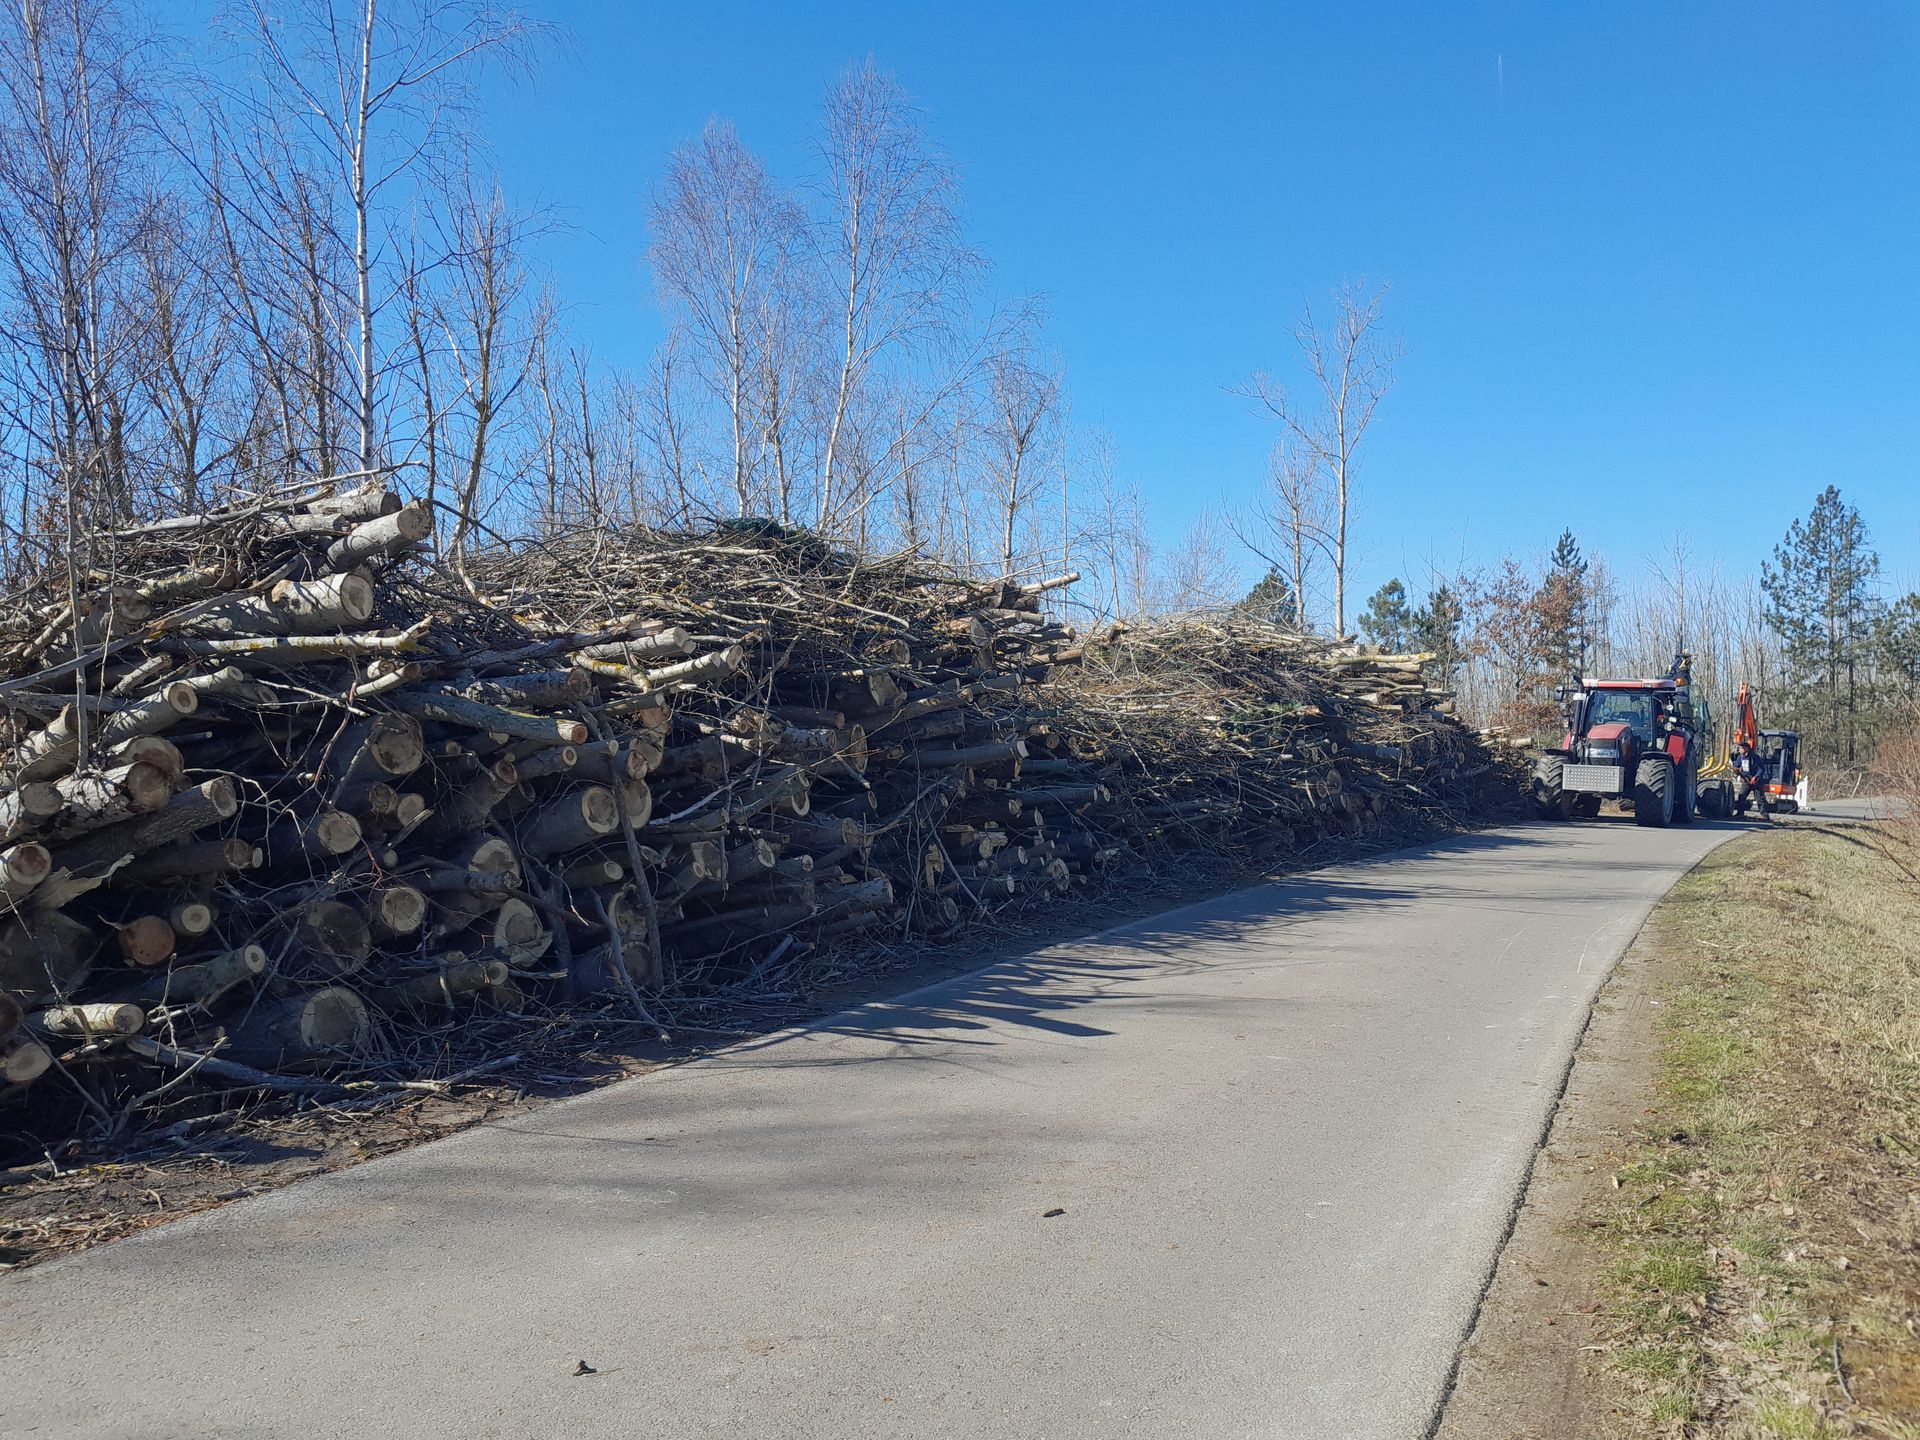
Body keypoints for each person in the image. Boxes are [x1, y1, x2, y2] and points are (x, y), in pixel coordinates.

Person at [1732, 740, 1771, 822]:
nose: (1740, 749)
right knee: (1741, 796)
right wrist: (1737, 770)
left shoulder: (1755, 757)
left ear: (1746, 748)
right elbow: (1735, 767)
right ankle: (1740, 813)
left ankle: (1765, 816)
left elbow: (1761, 768)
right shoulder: (1740, 757)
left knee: (1759, 799)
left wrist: (1755, 777)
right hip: (1746, 780)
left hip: (1757, 781)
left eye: (1741, 748)